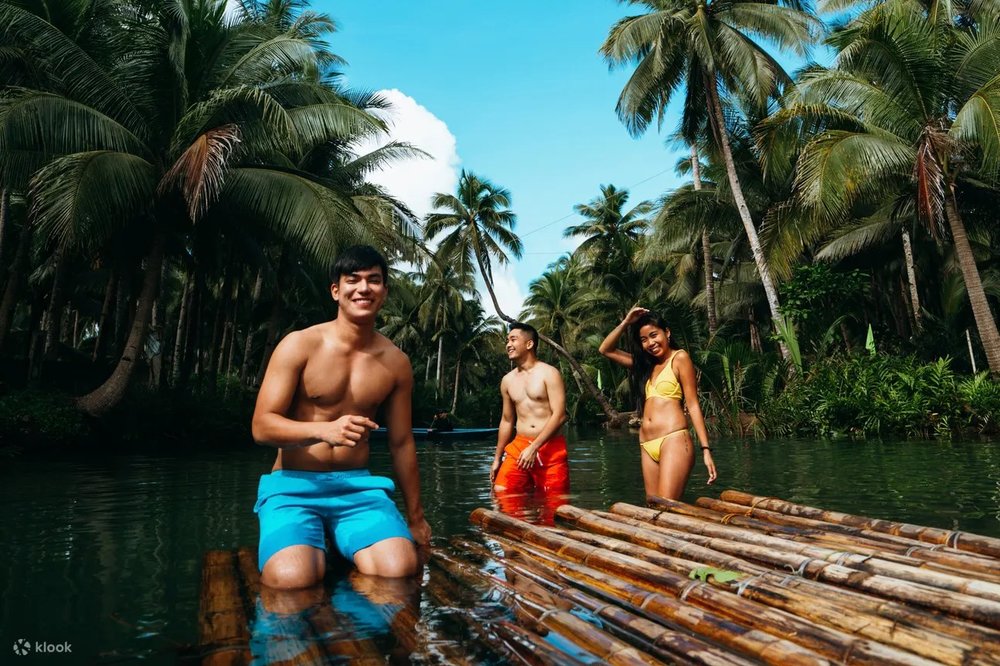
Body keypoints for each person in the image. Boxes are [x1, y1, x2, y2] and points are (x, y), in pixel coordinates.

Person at [251, 244, 431, 590]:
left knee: (399, 568)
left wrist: (416, 518)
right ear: (336, 290)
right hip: (294, 486)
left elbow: (402, 443)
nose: (364, 288)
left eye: (374, 280)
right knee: (290, 579)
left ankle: (351, 616)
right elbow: (261, 426)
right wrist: (324, 431)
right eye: (353, 280)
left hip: (357, 489)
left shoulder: (395, 362)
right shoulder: (299, 345)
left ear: (385, 291)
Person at [599, 306, 717, 500]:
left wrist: (706, 450)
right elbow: (605, 349)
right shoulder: (646, 365)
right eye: (644, 340)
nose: (650, 343)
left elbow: (693, 405)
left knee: (666, 508)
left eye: (654, 335)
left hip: (674, 440)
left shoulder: (679, 358)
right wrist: (626, 322)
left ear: (667, 333)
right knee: (653, 508)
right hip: (647, 444)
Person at [490, 322, 569, 502]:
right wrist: (497, 458)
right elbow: (507, 420)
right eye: (507, 341)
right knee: (502, 492)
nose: (508, 344)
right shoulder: (507, 381)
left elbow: (560, 415)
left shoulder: (549, 373)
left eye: (513, 339)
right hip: (519, 446)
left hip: (550, 447)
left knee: (555, 504)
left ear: (529, 344)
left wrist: (534, 447)